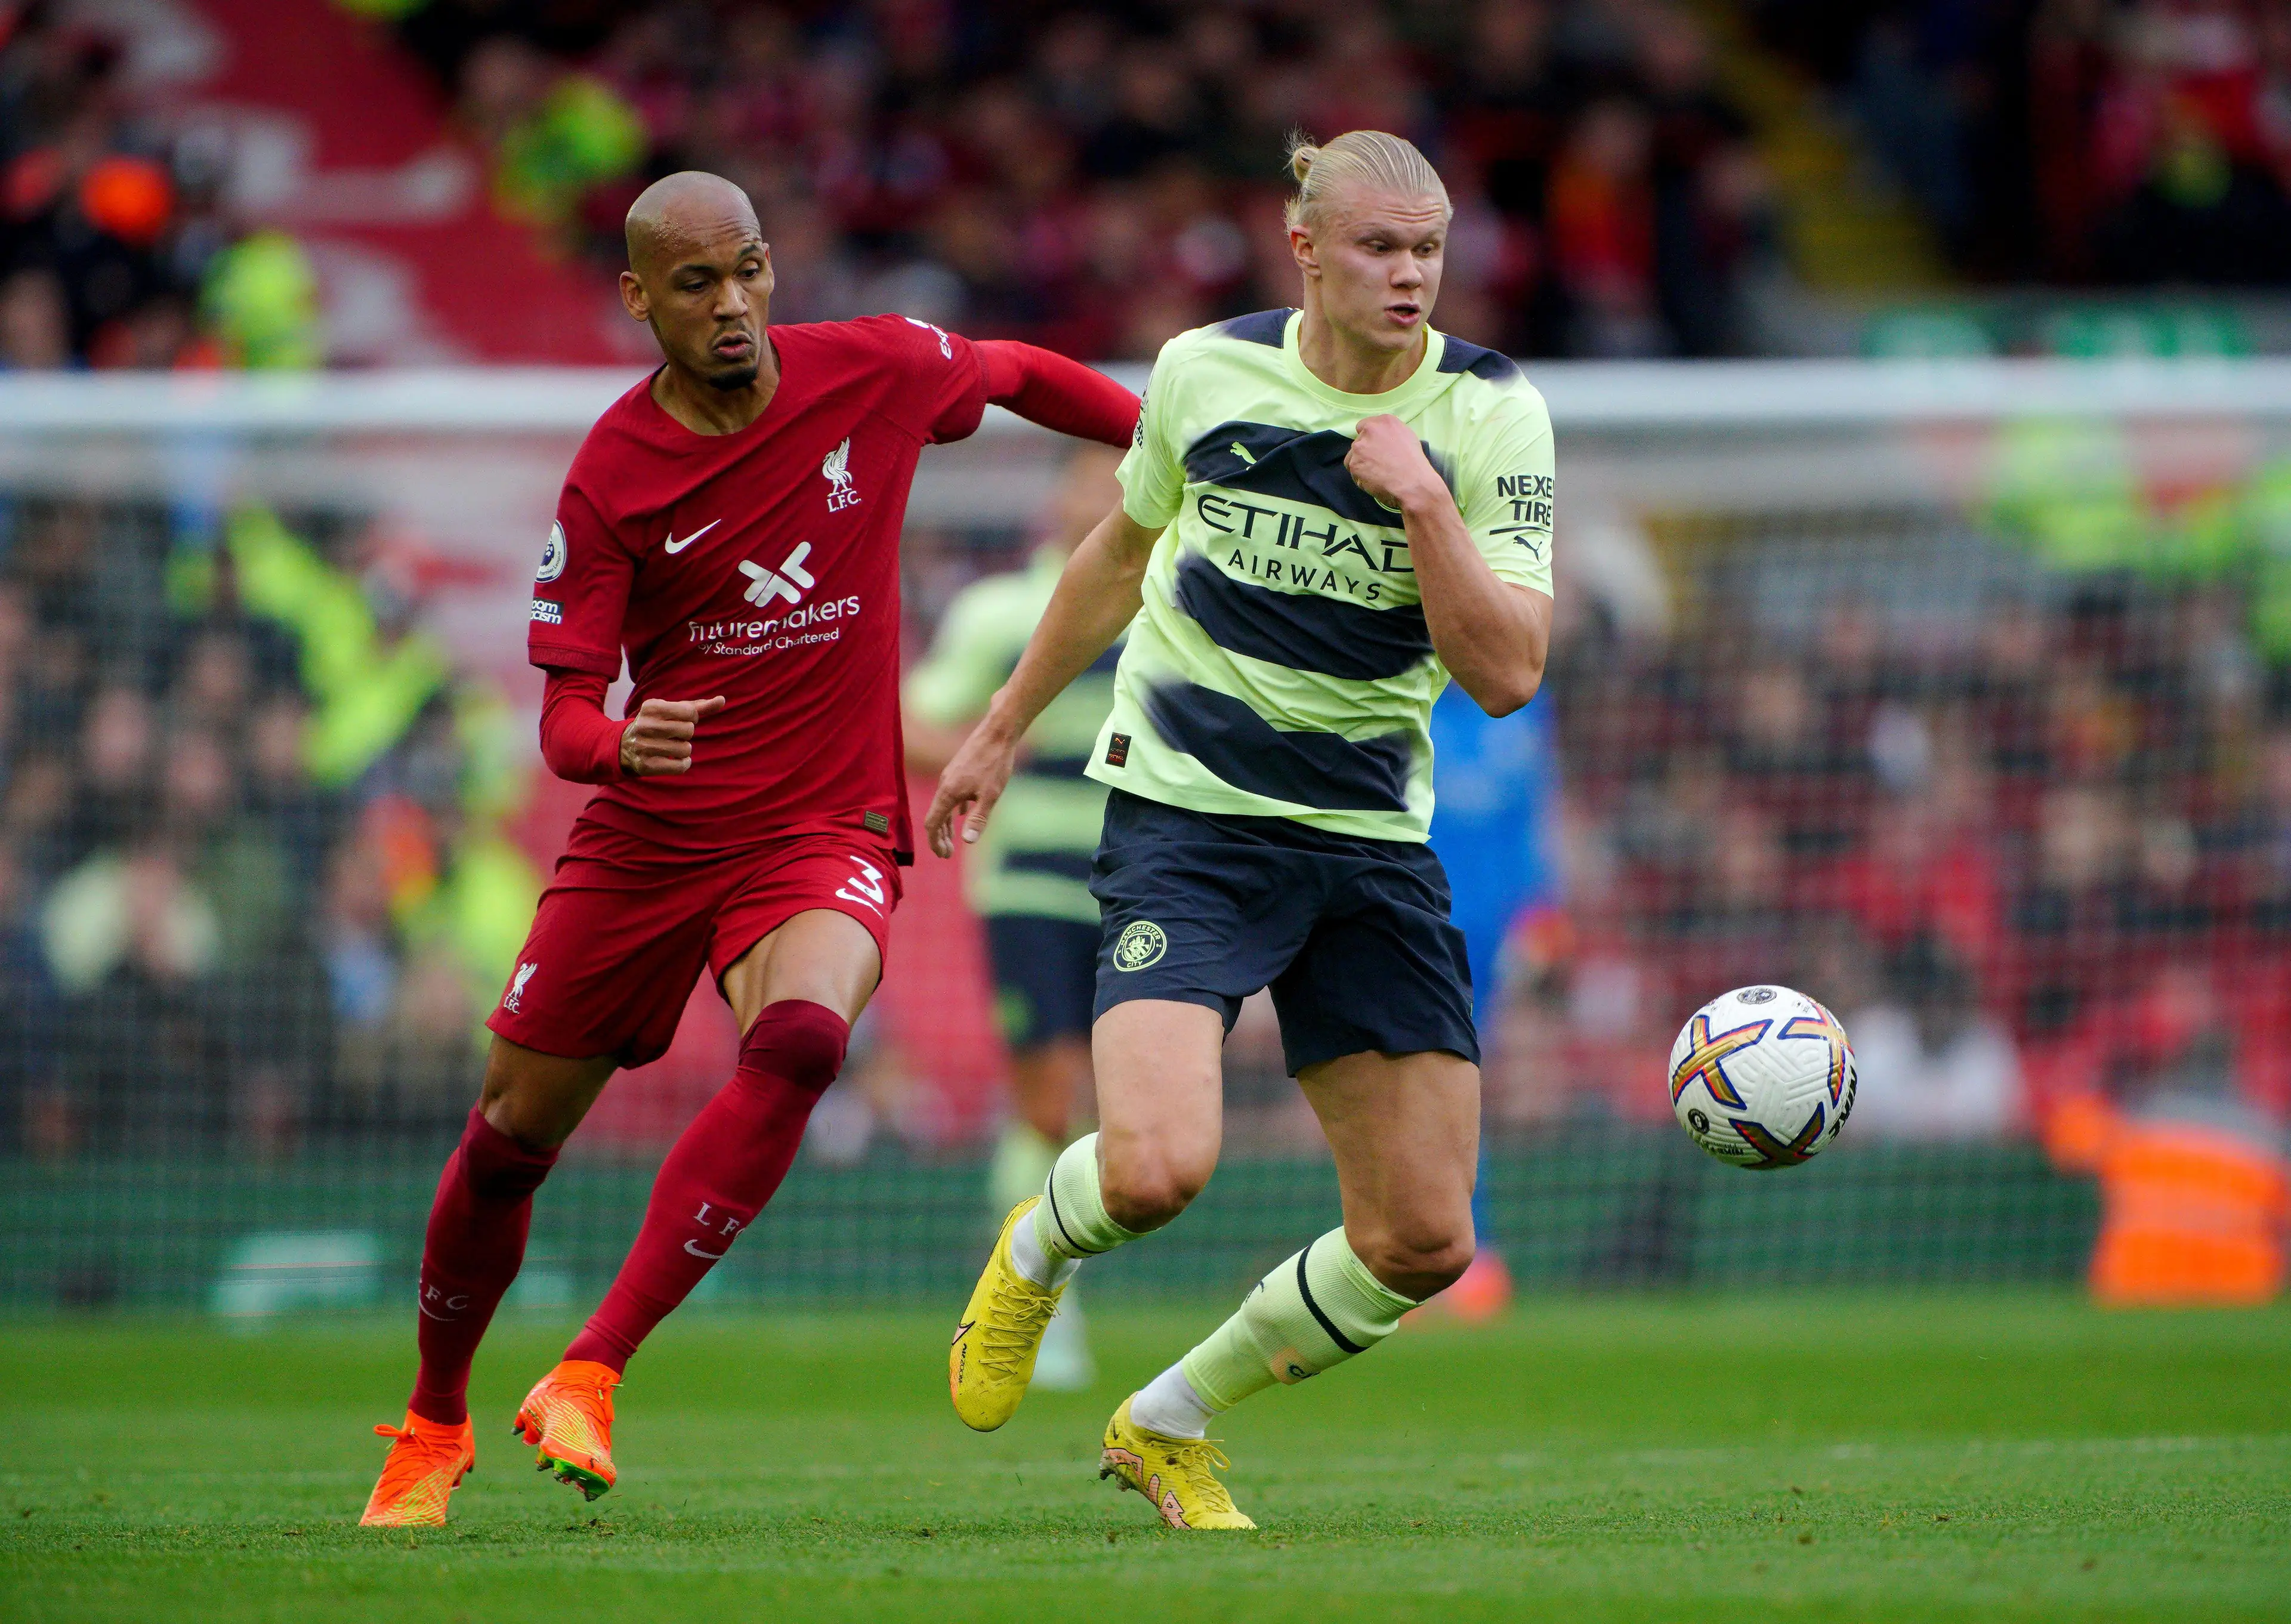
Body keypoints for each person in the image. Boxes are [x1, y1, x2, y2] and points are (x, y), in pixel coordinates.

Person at [358, 170, 1138, 1529]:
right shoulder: (611, 472)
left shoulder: (876, 372)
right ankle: (433, 1417)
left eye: (751, 271)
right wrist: (619, 743)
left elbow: (1015, 371)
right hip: (651, 839)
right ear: (640, 298)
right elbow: (559, 715)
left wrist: (1177, 446)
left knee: (804, 1043)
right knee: (507, 1142)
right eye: (697, 283)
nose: (734, 305)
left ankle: (591, 1367)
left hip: (818, 827)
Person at [929, 129, 1555, 1529]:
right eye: (1382, 248)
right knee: (1155, 1168)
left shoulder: (1493, 413)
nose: (1410, 276)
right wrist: (1000, 723)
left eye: (1430, 250)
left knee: (1424, 1237)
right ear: (1308, 247)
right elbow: (1117, 550)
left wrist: (1427, 501)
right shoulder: (1205, 370)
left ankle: (1168, 1417)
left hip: (1367, 839)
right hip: (1188, 815)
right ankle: (1034, 1247)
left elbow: (1510, 673)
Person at [903, 445, 1128, 1392]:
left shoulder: (1179, 613)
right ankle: (1042, 1292)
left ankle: (1036, 1268)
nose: (1107, 495)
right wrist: (990, 748)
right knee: (1048, 1100)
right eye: (1090, 476)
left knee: (1128, 1112)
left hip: (1144, 886)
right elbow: (914, 725)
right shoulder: (1001, 613)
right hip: (1031, 883)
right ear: (1058, 496)